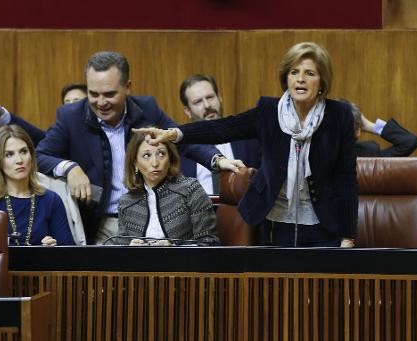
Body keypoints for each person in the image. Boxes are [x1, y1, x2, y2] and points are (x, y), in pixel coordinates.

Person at [136, 42, 358, 248]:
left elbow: (346, 178)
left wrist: (348, 235)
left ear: (322, 81)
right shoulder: (269, 112)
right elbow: (224, 127)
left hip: (324, 222)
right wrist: (176, 133)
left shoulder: (339, 117)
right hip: (275, 222)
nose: (300, 79)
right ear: (286, 79)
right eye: (294, 72)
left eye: (309, 73)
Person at [35, 51, 220, 244]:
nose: (101, 102)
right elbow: (40, 155)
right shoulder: (70, 116)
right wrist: (69, 168)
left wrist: (217, 160)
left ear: (127, 87)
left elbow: (180, 138)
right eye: (93, 94)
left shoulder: (147, 108)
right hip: (100, 223)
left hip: (150, 214)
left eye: (109, 94)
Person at [0, 125, 74, 246]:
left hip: (40, 265)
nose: (19, 160)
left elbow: (69, 253)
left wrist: (53, 249)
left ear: (31, 155)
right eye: (9, 154)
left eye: (23, 151)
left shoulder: (51, 200)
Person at [116, 133, 219, 246]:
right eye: (146, 156)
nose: (155, 163)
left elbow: (210, 242)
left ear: (170, 158)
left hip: (184, 262)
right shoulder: (126, 202)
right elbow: (120, 250)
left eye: (161, 154)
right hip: (140, 263)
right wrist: (129, 248)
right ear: (135, 162)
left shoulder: (190, 189)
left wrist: (174, 249)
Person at [179, 74, 261, 194]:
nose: (207, 105)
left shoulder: (250, 138)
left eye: (210, 97)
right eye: (198, 102)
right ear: (187, 111)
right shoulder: (181, 151)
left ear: (220, 98)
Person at [0, 83, 87, 146]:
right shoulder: (58, 134)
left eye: (76, 101)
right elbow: (35, 135)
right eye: (67, 103)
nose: (71, 106)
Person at [344, 100, 417, 157]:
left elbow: (410, 141)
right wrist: (367, 124)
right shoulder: (368, 151)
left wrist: (369, 126)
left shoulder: (366, 152)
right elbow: (410, 141)